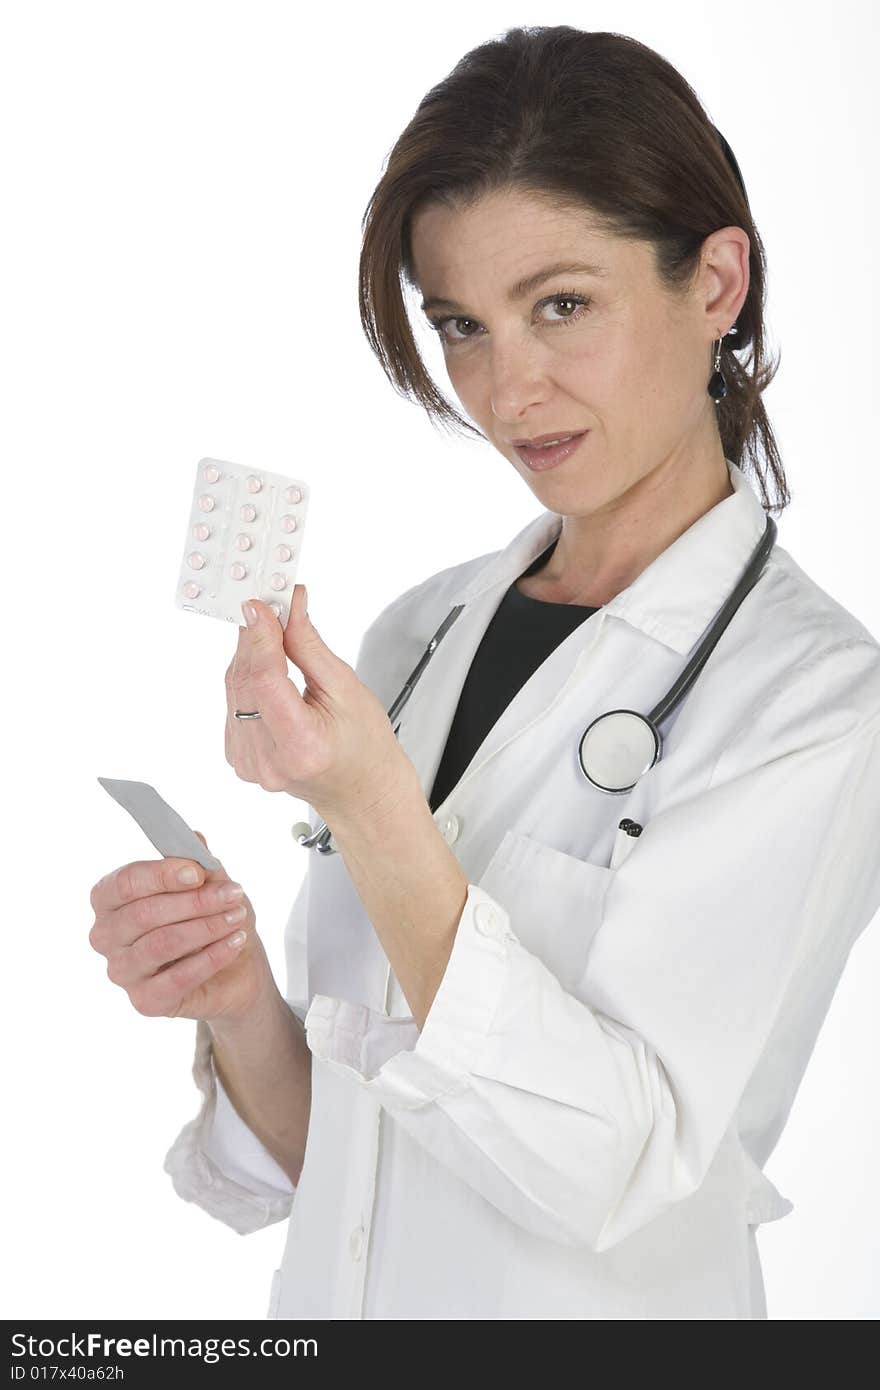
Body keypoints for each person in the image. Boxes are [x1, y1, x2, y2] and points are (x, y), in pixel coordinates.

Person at [89, 26, 880, 1320]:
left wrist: (375, 809)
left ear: (718, 281)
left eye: (561, 304)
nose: (508, 388)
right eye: (462, 323)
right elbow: (353, 1162)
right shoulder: (418, 635)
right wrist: (236, 999)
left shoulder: (816, 703)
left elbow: (608, 1166)